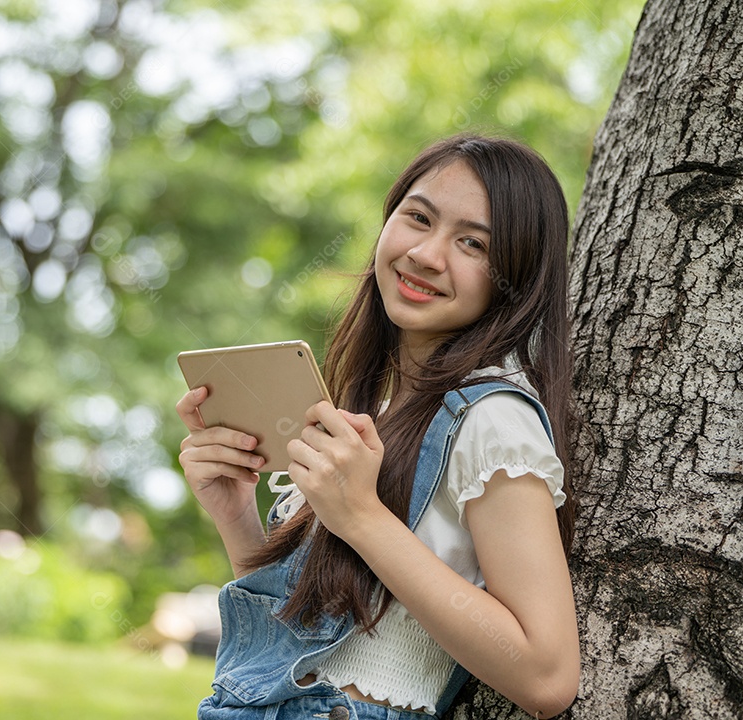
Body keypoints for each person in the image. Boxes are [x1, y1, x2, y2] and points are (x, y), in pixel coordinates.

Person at [176, 134, 580, 719]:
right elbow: (304, 636)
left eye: (472, 243)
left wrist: (361, 517)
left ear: (514, 277)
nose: (426, 255)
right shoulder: (374, 404)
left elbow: (547, 676)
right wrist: (234, 512)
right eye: (418, 218)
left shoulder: (492, 419)